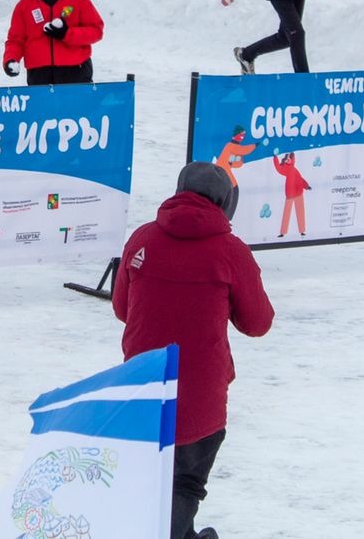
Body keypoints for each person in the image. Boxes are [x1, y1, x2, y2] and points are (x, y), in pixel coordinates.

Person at [111, 163, 274, 539]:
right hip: (200, 397)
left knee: (153, 481)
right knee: (185, 482)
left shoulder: (142, 239)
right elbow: (258, 322)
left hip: (142, 387)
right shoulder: (230, 250)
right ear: (224, 202)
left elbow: (122, 308)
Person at [2, 0, 104, 85]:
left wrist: (67, 34)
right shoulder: (25, 5)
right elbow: (15, 40)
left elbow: (96, 31)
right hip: (39, 75)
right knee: (43, 107)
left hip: (76, 72)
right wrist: (11, 59)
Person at [213, 126, 256, 220]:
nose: (242, 138)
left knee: (233, 190)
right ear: (235, 135)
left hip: (224, 172)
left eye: (243, 136)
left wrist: (238, 160)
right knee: (234, 189)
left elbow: (236, 164)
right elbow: (245, 150)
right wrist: (255, 145)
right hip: (221, 172)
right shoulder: (230, 146)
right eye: (241, 135)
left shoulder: (234, 148)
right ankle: (226, 217)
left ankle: (226, 218)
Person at [273, 151, 311, 237]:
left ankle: (302, 231)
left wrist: (306, 186)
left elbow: (300, 179)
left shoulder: (294, 169)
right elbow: (278, 168)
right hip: (290, 194)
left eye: (290, 159)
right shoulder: (286, 169)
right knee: (287, 213)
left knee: (300, 212)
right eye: (287, 159)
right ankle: (283, 232)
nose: (288, 160)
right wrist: (275, 158)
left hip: (299, 193)